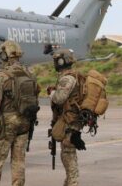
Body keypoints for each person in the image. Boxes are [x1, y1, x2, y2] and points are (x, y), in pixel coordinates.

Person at [0, 40, 40, 186]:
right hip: (25, 123)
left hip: (6, 124)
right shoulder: (30, 74)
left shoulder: (3, 76)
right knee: (19, 160)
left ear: (4, 56)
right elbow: (35, 97)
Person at [48, 49, 86, 186]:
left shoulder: (67, 78)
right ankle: (69, 182)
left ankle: (73, 183)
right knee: (68, 154)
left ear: (61, 61)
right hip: (72, 120)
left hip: (70, 121)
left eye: (56, 60)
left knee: (68, 155)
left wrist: (51, 93)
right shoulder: (73, 76)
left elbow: (59, 99)